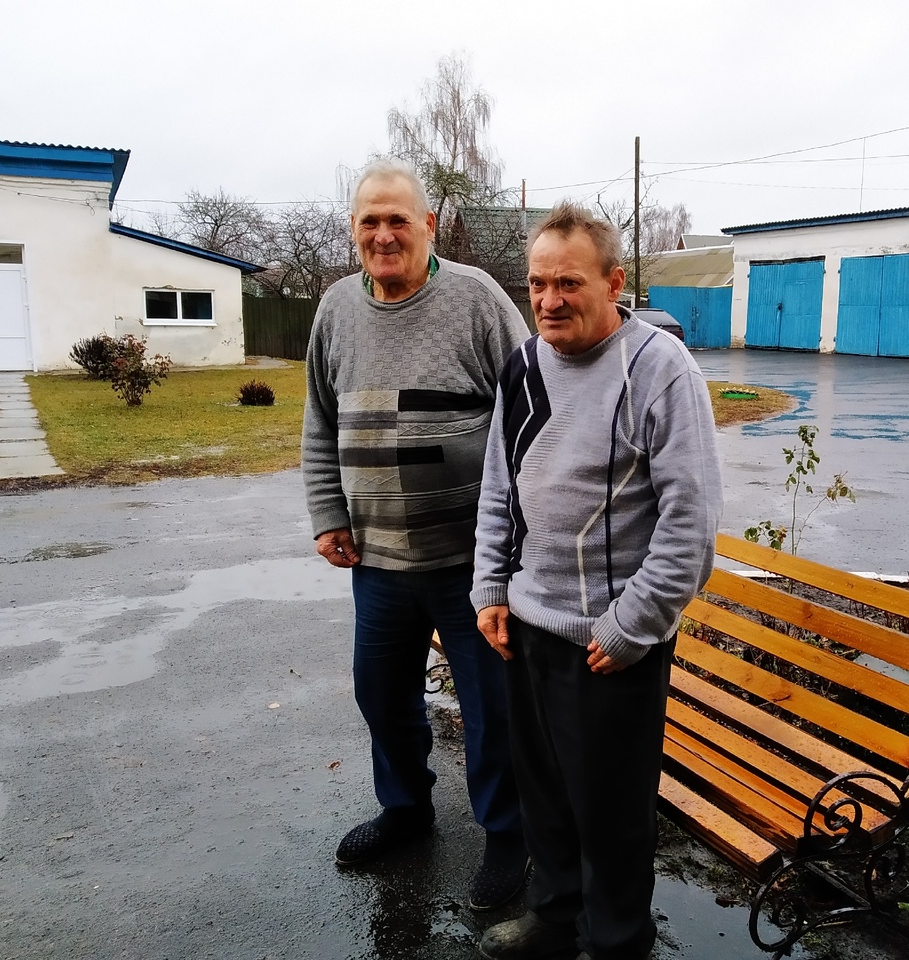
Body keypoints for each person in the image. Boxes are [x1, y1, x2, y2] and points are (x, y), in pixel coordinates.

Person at [470, 202, 723, 960]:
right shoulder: (522, 367)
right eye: (537, 283)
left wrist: (631, 625)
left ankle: (617, 942)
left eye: (568, 283)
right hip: (527, 629)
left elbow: (691, 522)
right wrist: (489, 589)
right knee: (544, 794)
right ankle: (553, 920)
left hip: (608, 646)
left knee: (611, 814)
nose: (548, 300)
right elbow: (497, 488)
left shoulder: (659, 369)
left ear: (614, 283)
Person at [302, 159, 530, 911]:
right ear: (354, 232)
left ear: (428, 225)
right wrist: (327, 513)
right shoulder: (335, 309)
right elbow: (319, 421)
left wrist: (519, 536)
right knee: (381, 695)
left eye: (398, 218)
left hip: (473, 561)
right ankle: (405, 809)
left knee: (491, 707)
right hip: (380, 559)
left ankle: (507, 834)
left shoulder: (477, 300)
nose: (384, 233)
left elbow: (532, 413)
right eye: (369, 220)